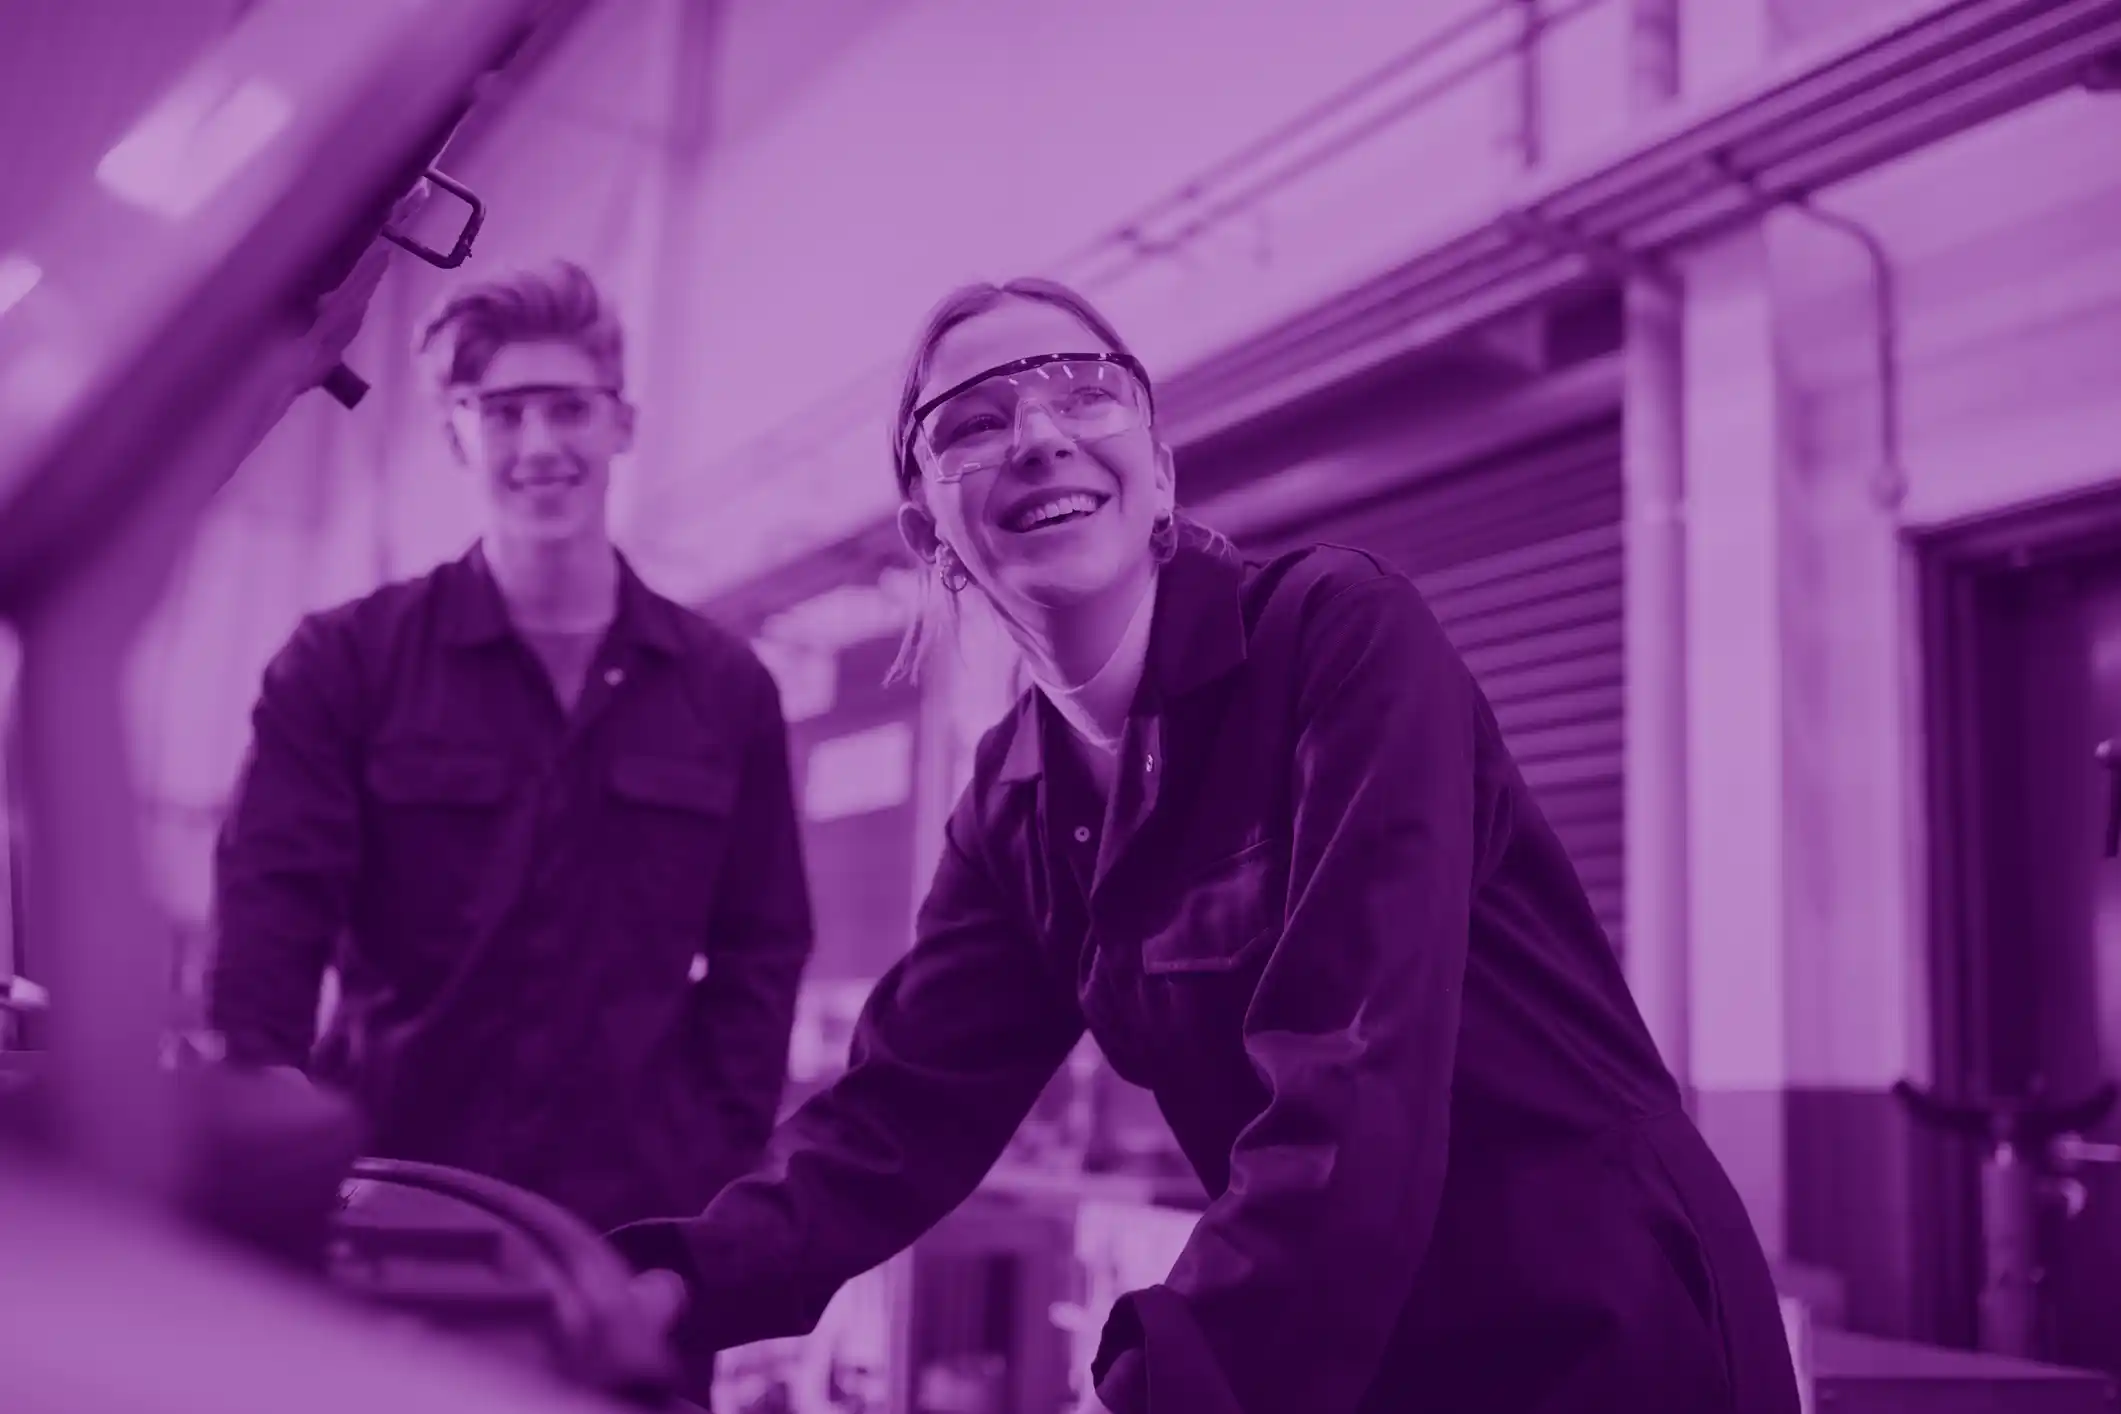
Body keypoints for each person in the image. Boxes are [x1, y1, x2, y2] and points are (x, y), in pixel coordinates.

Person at [607, 276, 1802, 1414]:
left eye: (1085, 392)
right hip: (1370, 1352)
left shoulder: (1338, 637)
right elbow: (895, 1116)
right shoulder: (1016, 803)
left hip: (1597, 1319)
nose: (1039, 435)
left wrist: (1164, 1385)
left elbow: (1356, 1068)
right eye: (973, 420)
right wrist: (672, 1285)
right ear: (933, 533)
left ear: (1162, 475)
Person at [207, 263, 815, 1300]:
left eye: (569, 408)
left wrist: (710, 1164)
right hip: (385, 1221)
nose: (541, 446)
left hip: (635, 1242)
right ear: (455, 432)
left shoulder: (725, 687)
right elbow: (268, 930)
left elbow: (762, 946)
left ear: (620, 424)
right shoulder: (343, 665)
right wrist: (279, 1159)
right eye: (503, 411)